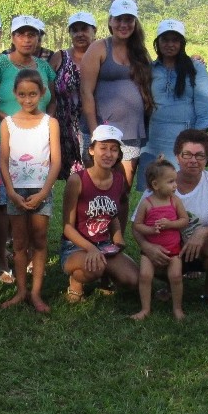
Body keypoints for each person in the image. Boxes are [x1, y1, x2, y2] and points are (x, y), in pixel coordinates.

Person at [0, 15, 57, 285]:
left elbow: (52, 99)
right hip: (5, 138)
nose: (27, 39)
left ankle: (33, 256)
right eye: (21, 34)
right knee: (3, 202)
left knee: (36, 196)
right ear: (12, 37)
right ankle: (3, 259)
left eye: (32, 34)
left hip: (38, 140)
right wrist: (8, 122)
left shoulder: (43, 66)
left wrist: (45, 124)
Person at [132, 129, 208, 309]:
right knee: (153, 259)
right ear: (177, 156)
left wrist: (203, 232)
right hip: (165, 251)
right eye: (187, 154)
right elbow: (136, 225)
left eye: (200, 156)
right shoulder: (157, 185)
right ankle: (170, 286)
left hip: (200, 251)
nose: (193, 160)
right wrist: (147, 247)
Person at [0, 69, 61, 313]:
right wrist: (11, 192)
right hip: (16, 190)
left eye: (33, 94)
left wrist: (44, 191)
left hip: (40, 189)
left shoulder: (50, 123)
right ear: (15, 94)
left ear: (42, 93)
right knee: (20, 242)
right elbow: (3, 160)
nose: (28, 99)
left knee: (40, 240)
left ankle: (36, 293)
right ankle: (21, 290)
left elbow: (56, 161)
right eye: (22, 94)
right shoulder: (8, 124)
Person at [61, 124, 140, 304]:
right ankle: (75, 282)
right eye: (102, 148)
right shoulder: (77, 180)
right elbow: (67, 228)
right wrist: (91, 249)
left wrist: (118, 239)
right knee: (93, 269)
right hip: (76, 246)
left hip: (104, 245)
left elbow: (112, 216)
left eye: (113, 149)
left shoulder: (119, 180)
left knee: (133, 280)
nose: (108, 154)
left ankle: (105, 275)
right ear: (91, 150)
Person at [80, 0, 154, 188]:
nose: (123, 24)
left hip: (130, 130)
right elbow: (86, 92)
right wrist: (96, 131)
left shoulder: (140, 52)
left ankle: (118, 220)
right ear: (110, 21)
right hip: (100, 130)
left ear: (135, 22)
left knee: (122, 190)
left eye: (129, 20)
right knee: (95, 187)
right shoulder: (98, 48)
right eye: (119, 19)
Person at [136, 18, 208, 188]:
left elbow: (204, 111)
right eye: (165, 39)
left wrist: (192, 146)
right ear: (158, 42)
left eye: (175, 40)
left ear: (182, 43)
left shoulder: (195, 69)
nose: (170, 44)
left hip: (184, 142)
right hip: (153, 141)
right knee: (154, 192)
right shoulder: (150, 69)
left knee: (181, 190)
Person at [131, 158, 190, 321]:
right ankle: (145, 309)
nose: (175, 185)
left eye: (175, 181)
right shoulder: (147, 203)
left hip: (174, 251)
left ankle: (177, 308)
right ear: (156, 185)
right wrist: (150, 229)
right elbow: (137, 225)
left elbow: (185, 220)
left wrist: (171, 224)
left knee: (176, 277)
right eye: (170, 182)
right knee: (145, 276)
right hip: (149, 252)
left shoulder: (175, 201)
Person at [48, 11, 97, 179]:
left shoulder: (101, 55)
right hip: (64, 130)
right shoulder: (60, 57)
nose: (80, 34)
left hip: (92, 127)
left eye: (84, 29)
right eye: (75, 30)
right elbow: (50, 96)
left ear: (94, 31)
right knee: (70, 180)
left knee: (93, 177)